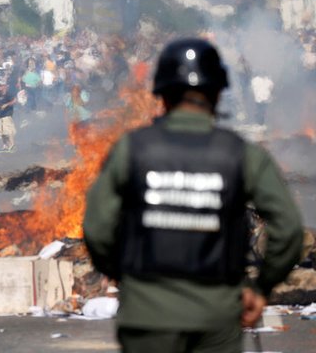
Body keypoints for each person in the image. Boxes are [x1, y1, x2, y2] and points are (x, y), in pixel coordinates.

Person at [83, 38, 303, 353]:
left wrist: (126, 276)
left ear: (163, 95)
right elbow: (289, 229)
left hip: (148, 316)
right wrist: (261, 288)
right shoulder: (243, 154)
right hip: (216, 317)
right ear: (216, 93)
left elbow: (97, 227)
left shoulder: (132, 149)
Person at [0, 81, 17, 153]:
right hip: (0, 115)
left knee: (8, 131)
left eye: (1, 86)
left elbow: (14, 101)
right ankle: (5, 146)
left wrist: (7, 104)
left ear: (4, 86)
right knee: (1, 132)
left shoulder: (8, 93)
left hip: (7, 114)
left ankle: (12, 145)